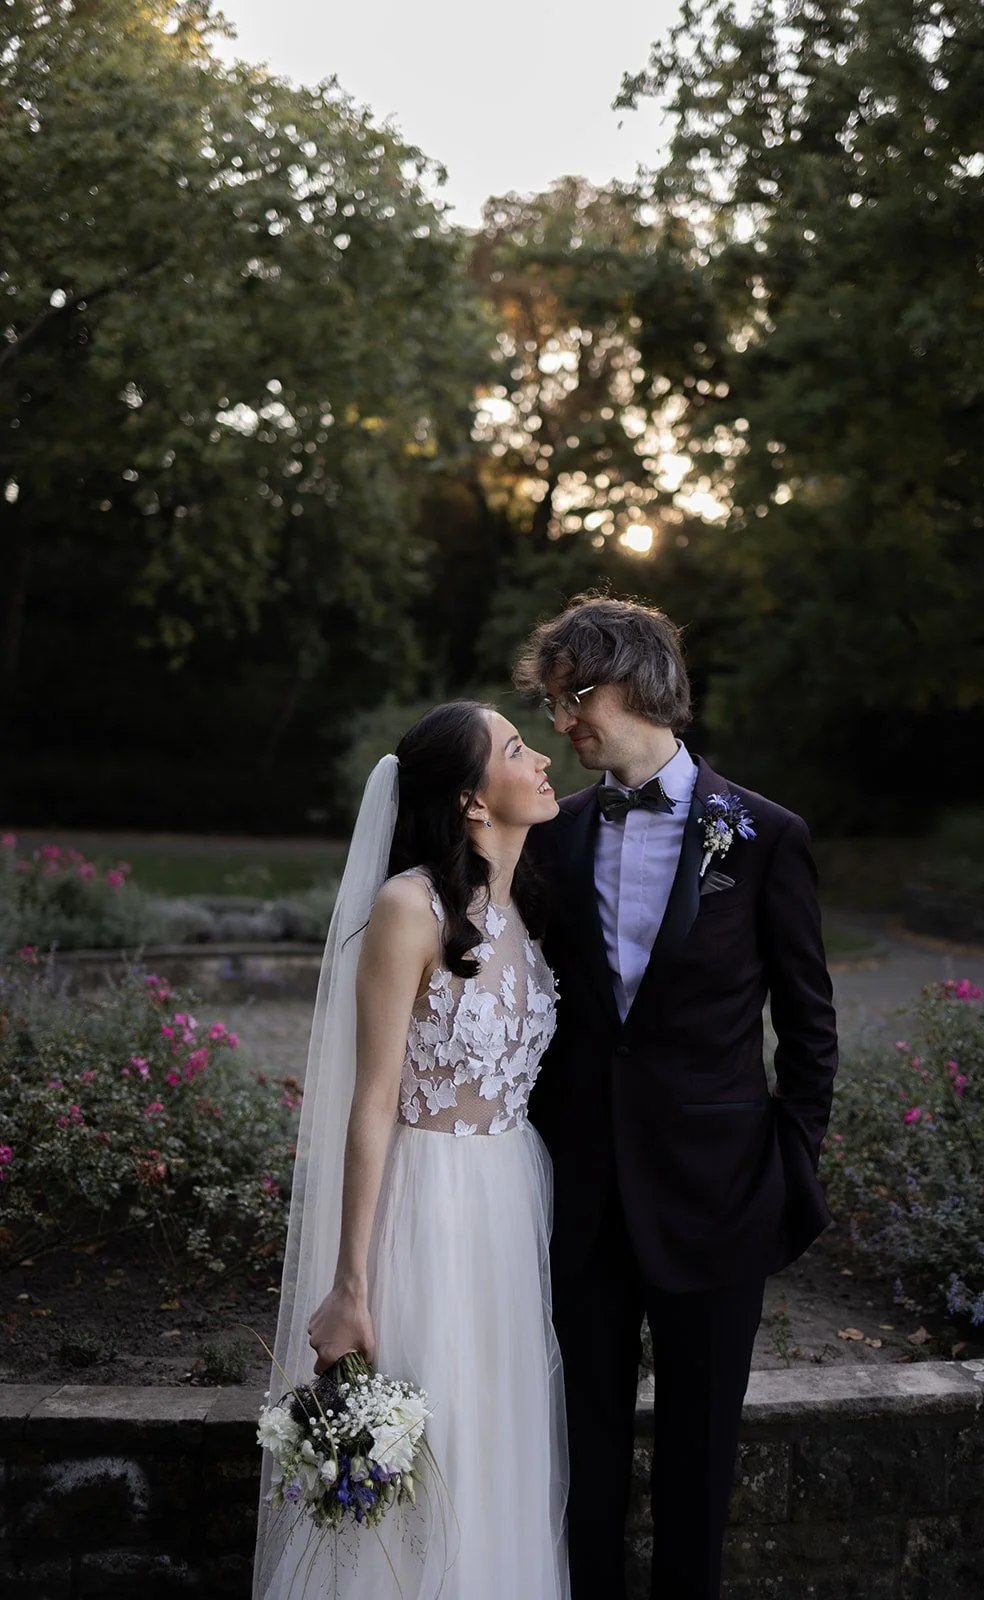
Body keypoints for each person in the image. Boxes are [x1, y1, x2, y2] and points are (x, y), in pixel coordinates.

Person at [515, 595, 838, 1600]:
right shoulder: (551, 835)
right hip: (581, 1193)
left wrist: (789, 1160)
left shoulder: (763, 836)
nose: (560, 723)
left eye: (572, 696)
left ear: (637, 682)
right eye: (551, 704)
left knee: (701, 1455)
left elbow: (809, 1023)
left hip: (718, 1194)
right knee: (584, 1455)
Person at [252, 700, 569, 1600]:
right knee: (428, 1442)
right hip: (426, 1204)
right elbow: (371, 1103)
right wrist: (351, 1283)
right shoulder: (407, 906)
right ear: (472, 800)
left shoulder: (517, 908)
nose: (542, 756)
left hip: (509, 1197)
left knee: (490, 1444)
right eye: (517, 746)